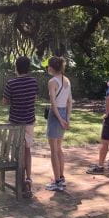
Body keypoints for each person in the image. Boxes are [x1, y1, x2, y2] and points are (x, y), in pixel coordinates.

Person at [2, 56, 38, 197]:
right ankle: (27, 178)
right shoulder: (33, 82)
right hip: (29, 121)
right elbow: (34, 98)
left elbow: (4, 101)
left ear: (16, 67)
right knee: (27, 149)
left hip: (15, 122)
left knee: (15, 149)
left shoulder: (11, 83)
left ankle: (20, 178)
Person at [45, 56, 73, 191]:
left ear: (51, 67)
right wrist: (67, 118)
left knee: (54, 151)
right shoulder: (66, 80)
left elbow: (53, 104)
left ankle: (57, 182)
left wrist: (60, 119)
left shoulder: (52, 82)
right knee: (59, 148)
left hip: (55, 115)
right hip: (63, 114)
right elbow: (69, 101)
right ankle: (61, 178)